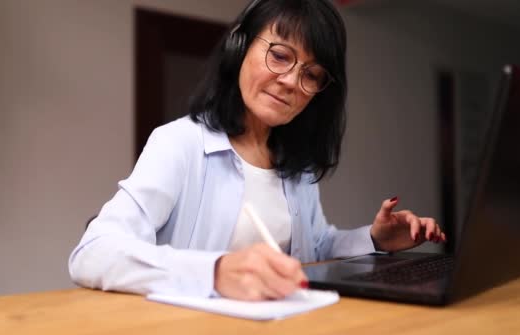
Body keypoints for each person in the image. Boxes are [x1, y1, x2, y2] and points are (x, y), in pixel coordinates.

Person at [68, 0, 446, 301]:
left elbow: (314, 247)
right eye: (280, 56)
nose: (290, 82)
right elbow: (94, 252)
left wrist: (375, 240)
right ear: (239, 46)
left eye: (311, 74)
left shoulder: (294, 167)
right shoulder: (179, 144)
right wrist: (216, 272)